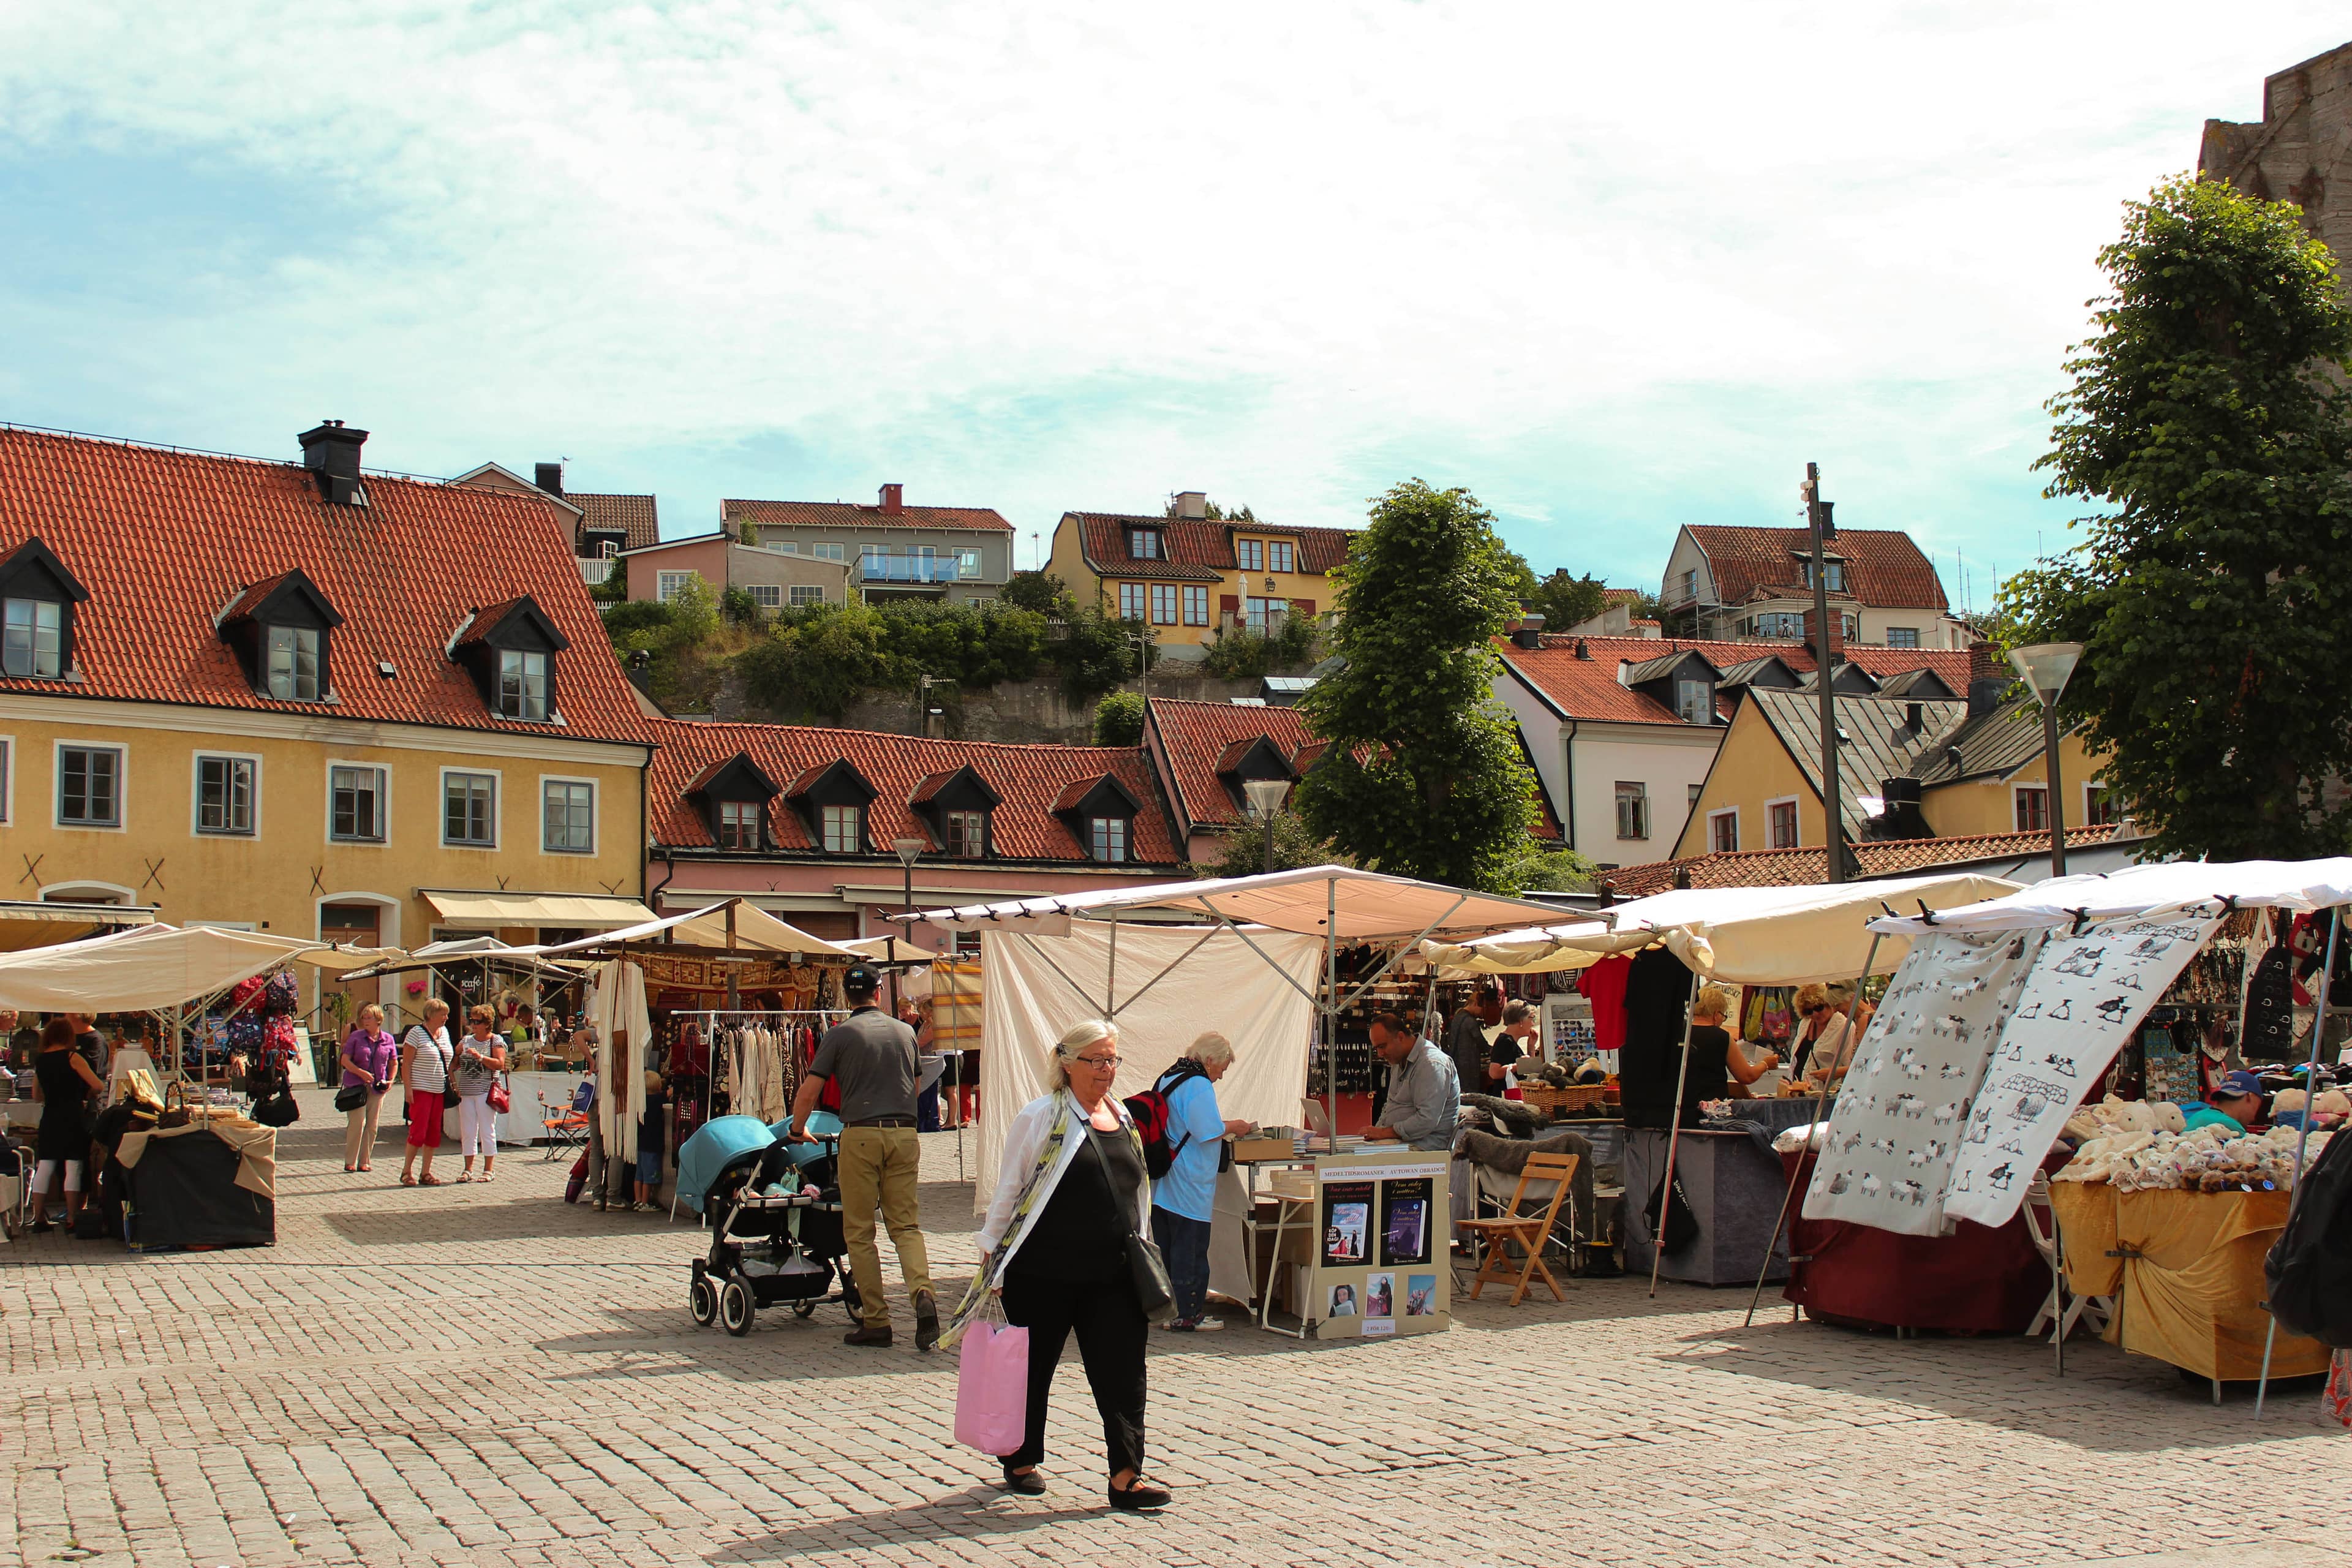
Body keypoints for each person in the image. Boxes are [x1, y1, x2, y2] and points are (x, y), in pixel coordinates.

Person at [945, 1019, 1169, 1511]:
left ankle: (1126, 1477)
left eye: (1113, 1059)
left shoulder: (1124, 1118)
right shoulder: (1042, 1117)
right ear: (1067, 1064)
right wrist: (993, 1260)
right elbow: (1010, 1192)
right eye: (1096, 1060)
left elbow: (1139, 1193)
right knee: (1032, 1370)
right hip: (1043, 1273)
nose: (1107, 1070)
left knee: (1124, 1374)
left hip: (1114, 1276)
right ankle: (1021, 1459)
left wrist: (1144, 1248)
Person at [788, 963, 935, 1350]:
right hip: (903, 1135)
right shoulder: (906, 1032)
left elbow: (810, 1090)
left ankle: (877, 1320)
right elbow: (916, 1085)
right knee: (905, 1226)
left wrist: (795, 1128)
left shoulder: (840, 1034)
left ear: (846, 994)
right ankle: (922, 1292)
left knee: (859, 1231)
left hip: (861, 1135)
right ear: (880, 990)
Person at [1150, 1032, 1254, 1333]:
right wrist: (1236, 1126)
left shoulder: (1170, 1076)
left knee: (1169, 1247)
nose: (1221, 1075)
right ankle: (1188, 1314)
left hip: (1167, 1177)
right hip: (1189, 1179)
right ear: (1209, 1060)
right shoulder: (1197, 1084)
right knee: (1190, 1249)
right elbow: (1207, 1130)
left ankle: (1168, 1310)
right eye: (1222, 1067)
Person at [29, 1018, 103, 1232]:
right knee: (74, 1166)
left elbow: (36, 1096)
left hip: (50, 1116)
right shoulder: (73, 1057)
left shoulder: (41, 1060)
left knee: (45, 1166)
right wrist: (86, 1094)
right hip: (72, 1115)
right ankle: (72, 1217)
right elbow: (97, 1085)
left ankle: (38, 1218)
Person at [1364, 1011, 1460, 1152]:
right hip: (1401, 1143)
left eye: (1382, 1046)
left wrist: (1384, 1133)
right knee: (1348, 1157)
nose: (1380, 1054)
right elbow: (1391, 1105)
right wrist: (1376, 1132)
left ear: (1400, 1037)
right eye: (1377, 1048)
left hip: (1424, 1147)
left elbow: (1426, 1120)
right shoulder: (1398, 1061)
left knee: (1356, 1164)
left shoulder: (1431, 1064)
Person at [1676, 987, 1777, 1120]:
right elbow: (1747, 1076)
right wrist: (1766, 1064)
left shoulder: (1678, 1033)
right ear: (1716, 1014)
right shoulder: (1722, 1037)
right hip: (1711, 1111)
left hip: (1679, 1108)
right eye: (1723, 1016)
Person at [447, 1005, 508, 1184]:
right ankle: (468, 1169)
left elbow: (500, 1064)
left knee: (487, 1130)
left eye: (477, 1022)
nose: (473, 1024)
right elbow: (453, 1066)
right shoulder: (466, 1040)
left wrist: (480, 1057)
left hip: (485, 1091)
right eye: (472, 1020)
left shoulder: (495, 1041)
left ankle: (489, 1169)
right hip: (466, 1092)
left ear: (487, 1023)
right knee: (468, 1131)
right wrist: (456, 1054)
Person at [399, 1000, 454, 1188]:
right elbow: (406, 1064)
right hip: (421, 1089)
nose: (446, 1018)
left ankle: (426, 1172)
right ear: (431, 1015)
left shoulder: (445, 1033)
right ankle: (407, 1171)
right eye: (443, 1014)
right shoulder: (415, 1034)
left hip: (439, 1089)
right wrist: (408, 1089)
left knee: (433, 1131)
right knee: (419, 1130)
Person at [339, 1003, 399, 1174]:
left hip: (377, 1088)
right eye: (364, 1018)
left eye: (369, 1018)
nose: (365, 1021)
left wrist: (391, 1080)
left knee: (372, 1126)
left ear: (378, 1019)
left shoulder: (388, 1039)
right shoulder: (356, 1037)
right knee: (357, 1123)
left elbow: (394, 1062)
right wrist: (360, 1072)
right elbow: (345, 1060)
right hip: (356, 1087)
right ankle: (350, 1161)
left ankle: (365, 1161)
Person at [1443, 983, 1504, 1106]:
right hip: (1469, 1065)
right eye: (1483, 1009)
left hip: (1458, 1061)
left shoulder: (1458, 1017)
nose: (1483, 1013)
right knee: (1471, 1095)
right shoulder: (1470, 1022)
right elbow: (1481, 1043)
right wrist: (1494, 1050)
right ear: (1476, 1004)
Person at [1790, 984, 1855, 1091]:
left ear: (1829, 1003)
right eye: (1809, 1011)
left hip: (1828, 1097)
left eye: (1819, 1008)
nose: (1815, 1014)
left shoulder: (1845, 1026)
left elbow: (1851, 1066)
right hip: (1800, 1095)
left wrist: (1833, 1073)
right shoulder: (1805, 1024)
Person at [2182, 1068, 2267, 1133]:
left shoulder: (2198, 1116)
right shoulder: (2230, 1126)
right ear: (2249, 1097)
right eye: (2257, 1107)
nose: (2253, 1118)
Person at [1491, 1001, 1541, 1099]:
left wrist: (1531, 1046)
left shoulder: (1510, 1041)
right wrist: (1517, 1065)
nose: (1533, 1023)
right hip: (1506, 1100)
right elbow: (1494, 1073)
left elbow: (1530, 1071)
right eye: (1532, 1018)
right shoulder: (1504, 1041)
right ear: (1521, 1021)